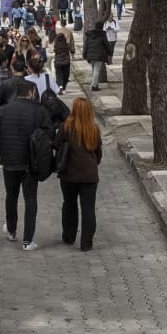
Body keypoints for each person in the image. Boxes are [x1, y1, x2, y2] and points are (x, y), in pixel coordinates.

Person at [0, 80, 48, 251]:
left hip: (9, 161)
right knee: (30, 199)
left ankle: (11, 229)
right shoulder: (39, 111)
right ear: (31, 93)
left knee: (11, 196)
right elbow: (48, 133)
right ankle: (28, 240)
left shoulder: (3, 110)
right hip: (31, 163)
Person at [57, 98, 103, 251]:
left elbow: (56, 145)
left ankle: (69, 236)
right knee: (88, 209)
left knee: (69, 204)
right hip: (89, 175)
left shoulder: (66, 127)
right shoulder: (94, 129)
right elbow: (98, 153)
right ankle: (86, 243)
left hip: (69, 173)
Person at [83, 22, 111, 91]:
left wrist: (84, 54)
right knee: (96, 70)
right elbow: (106, 45)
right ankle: (94, 86)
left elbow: (86, 45)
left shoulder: (90, 35)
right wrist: (110, 52)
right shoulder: (102, 35)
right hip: (99, 55)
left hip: (91, 55)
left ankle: (95, 83)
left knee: (94, 69)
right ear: (102, 27)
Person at [51, 27, 74, 91]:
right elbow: (72, 49)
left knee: (59, 75)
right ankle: (63, 86)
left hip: (58, 62)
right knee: (66, 75)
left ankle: (60, 86)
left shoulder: (56, 45)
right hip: (66, 62)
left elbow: (53, 50)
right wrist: (72, 54)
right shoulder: (66, 45)